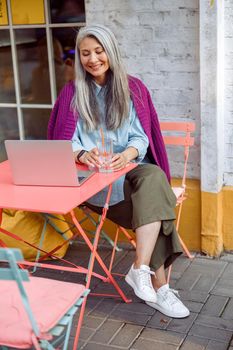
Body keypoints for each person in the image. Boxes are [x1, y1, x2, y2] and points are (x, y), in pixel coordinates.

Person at [48, 24, 190, 318]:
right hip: (94, 182)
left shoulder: (132, 88)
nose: (92, 59)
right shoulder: (72, 93)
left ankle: (140, 270)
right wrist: (84, 153)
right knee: (158, 206)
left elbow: (141, 138)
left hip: (128, 172)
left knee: (153, 177)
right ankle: (161, 289)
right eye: (85, 53)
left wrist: (125, 154)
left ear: (110, 51)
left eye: (98, 51)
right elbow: (63, 142)